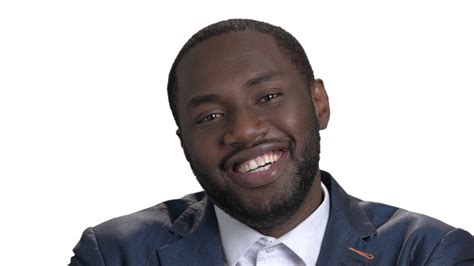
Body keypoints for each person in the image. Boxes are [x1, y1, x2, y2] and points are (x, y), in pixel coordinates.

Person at [69, 19, 474, 265]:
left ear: (319, 103)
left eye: (268, 97)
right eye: (209, 117)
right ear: (184, 142)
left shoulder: (427, 253)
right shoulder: (115, 255)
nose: (244, 130)